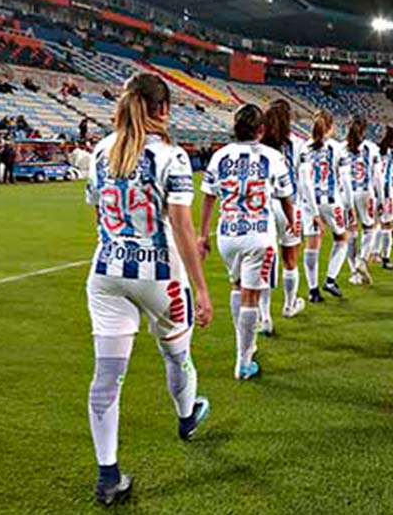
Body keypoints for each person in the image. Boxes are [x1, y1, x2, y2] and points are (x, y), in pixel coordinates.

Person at [83, 72, 213, 506]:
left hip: (106, 274)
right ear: (162, 109)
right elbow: (181, 225)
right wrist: (201, 287)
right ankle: (186, 418)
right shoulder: (170, 156)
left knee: (106, 378)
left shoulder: (101, 150)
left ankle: (108, 477)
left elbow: (97, 209)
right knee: (177, 353)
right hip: (159, 276)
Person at [198, 104, 295, 381]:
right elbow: (286, 197)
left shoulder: (219, 156)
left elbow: (208, 196)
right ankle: (243, 360)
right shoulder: (273, 156)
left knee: (237, 287)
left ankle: (244, 346)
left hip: (228, 234)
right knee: (252, 296)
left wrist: (203, 234)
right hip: (259, 234)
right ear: (261, 130)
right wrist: (292, 222)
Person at [298, 110, 351, 302]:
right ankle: (330, 279)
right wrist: (349, 205)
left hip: (309, 203)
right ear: (330, 126)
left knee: (312, 245)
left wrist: (312, 211)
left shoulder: (304, 148)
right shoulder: (337, 148)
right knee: (342, 238)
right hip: (331, 201)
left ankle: (313, 291)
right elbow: (345, 179)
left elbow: (304, 181)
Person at [261, 99, 306, 321]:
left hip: (265, 206)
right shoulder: (297, 143)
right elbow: (302, 176)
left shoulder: (259, 144)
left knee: (265, 262)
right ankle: (289, 305)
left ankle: (265, 316)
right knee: (290, 260)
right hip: (289, 204)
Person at [340, 116, 378, 286]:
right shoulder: (371, 148)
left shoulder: (341, 148)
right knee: (370, 227)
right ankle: (362, 259)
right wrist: (382, 197)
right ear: (364, 130)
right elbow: (377, 176)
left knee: (351, 232)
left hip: (347, 194)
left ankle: (354, 273)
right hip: (365, 192)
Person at [373, 127, 393, 269]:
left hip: (371, 192)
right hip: (385, 192)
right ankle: (386, 258)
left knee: (374, 224)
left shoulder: (373, 151)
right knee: (387, 224)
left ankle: (374, 253)